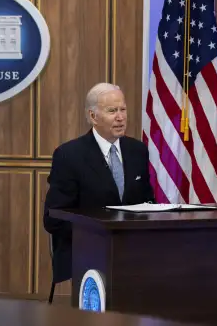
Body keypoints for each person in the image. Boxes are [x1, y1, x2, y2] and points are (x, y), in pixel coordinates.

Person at [43, 83, 156, 283]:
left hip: (132, 250)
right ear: (93, 117)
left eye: (123, 110)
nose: (120, 117)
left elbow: (147, 203)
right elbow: (54, 218)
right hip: (85, 251)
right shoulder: (69, 155)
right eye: (112, 111)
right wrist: (100, 236)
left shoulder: (137, 151)